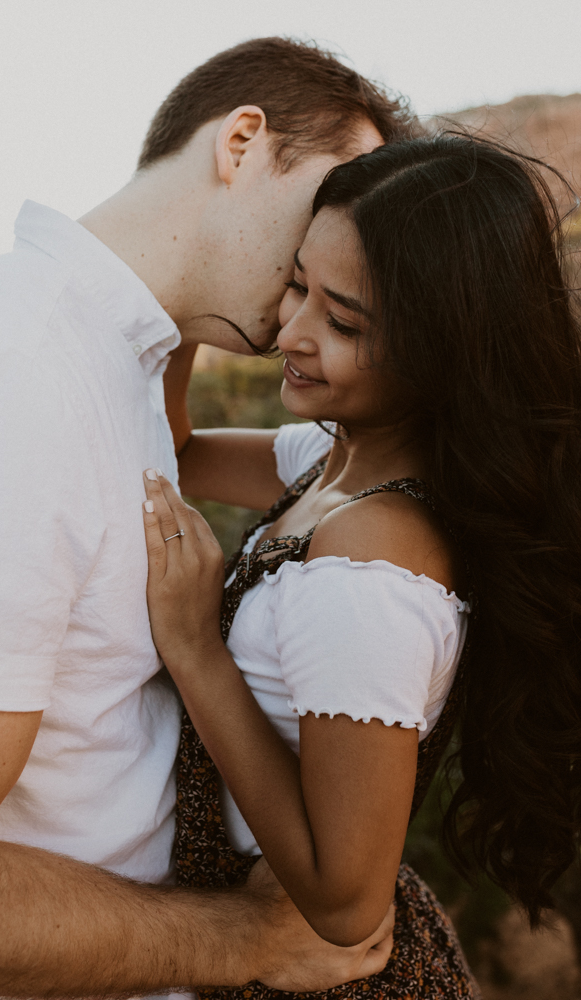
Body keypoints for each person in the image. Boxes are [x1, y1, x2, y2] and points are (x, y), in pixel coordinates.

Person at [0, 38, 415, 999]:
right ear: (241, 142)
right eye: (332, 197)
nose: (337, 246)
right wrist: (244, 945)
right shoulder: (5, 372)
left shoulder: (105, 365)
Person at [142, 134, 581, 998]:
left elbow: (345, 903)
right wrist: (189, 296)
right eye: (296, 284)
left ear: (444, 351)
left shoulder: (368, 578)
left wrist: (196, 651)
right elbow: (178, 452)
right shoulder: (334, 458)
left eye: (343, 322)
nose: (290, 333)